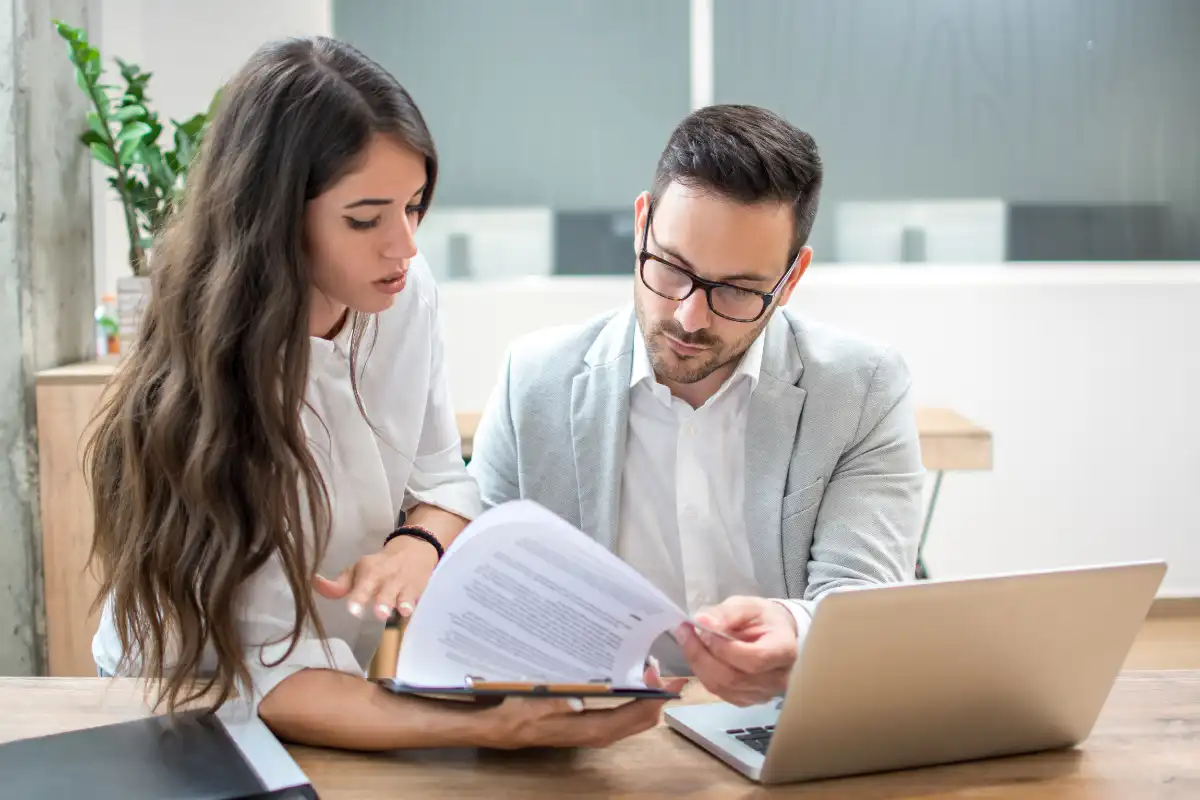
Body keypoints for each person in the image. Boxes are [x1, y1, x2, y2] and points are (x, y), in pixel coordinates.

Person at [87, 35, 681, 751]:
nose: (404, 246)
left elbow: (440, 476)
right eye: (365, 218)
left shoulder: (401, 295)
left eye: (416, 205)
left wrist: (417, 543)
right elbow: (267, 674)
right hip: (189, 704)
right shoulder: (213, 392)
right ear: (274, 217)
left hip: (329, 689)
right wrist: (493, 730)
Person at [468, 104, 925, 708]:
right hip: (589, 743)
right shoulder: (533, 382)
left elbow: (862, 598)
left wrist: (797, 631)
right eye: (672, 268)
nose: (689, 316)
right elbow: (483, 597)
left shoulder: (861, 389)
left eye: (736, 289)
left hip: (782, 730)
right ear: (641, 227)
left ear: (790, 280)